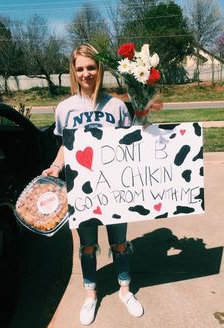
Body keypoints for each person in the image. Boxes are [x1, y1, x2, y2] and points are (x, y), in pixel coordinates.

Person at [42, 43, 144, 326]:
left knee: (119, 243)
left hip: (115, 187)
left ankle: (125, 290)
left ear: (100, 68)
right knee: (87, 245)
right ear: (73, 72)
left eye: (91, 67)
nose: (86, 73)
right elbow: (66, 145)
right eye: (80, 68)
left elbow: (131, 144)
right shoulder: (65, 108)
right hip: (82, 189)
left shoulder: (116, 106)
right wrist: (55, 166)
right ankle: (91, 294)